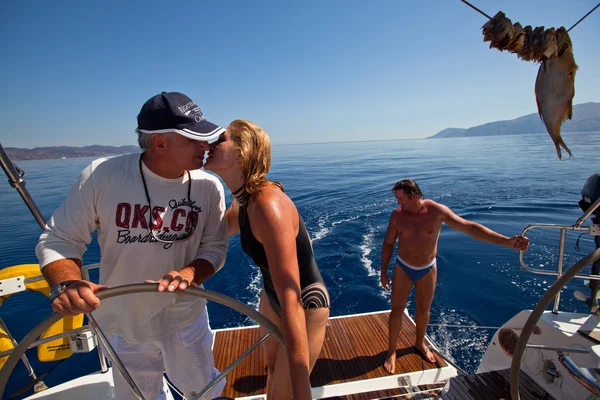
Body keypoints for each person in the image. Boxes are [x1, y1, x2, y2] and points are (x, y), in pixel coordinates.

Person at [36, 92, 229, 399]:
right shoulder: (103, 176)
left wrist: (191, 273)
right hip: (122, 321)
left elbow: (214, 248)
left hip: (185, 316)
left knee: (203, 389)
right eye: (194, 139)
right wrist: (67, 282)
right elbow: (60, 240)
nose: (205, 147)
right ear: (160, 143)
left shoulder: (209, 187)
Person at [204, 119, 330, 400]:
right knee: (272, 373)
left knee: (284, 393)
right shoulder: (243, 200)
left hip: (304, 305)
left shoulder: (267, 204)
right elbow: (213, 236)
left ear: (241, 152)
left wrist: (302, 391)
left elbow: (292, 296)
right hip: (271, 296)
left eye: (219, 141)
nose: (209, 146)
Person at [379, 179, 529, 373]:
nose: (398, 203)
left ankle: (419, 344)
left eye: (401, 199)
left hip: (427, 268)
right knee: (397, 310)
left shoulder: (437, 211)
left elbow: (470, 228)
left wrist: (507, 242)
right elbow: (388, 243)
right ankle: (391, 351)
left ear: (414, 195)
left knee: (423, 311)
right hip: (403, 267)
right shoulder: (397, 216)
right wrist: (383, 270)